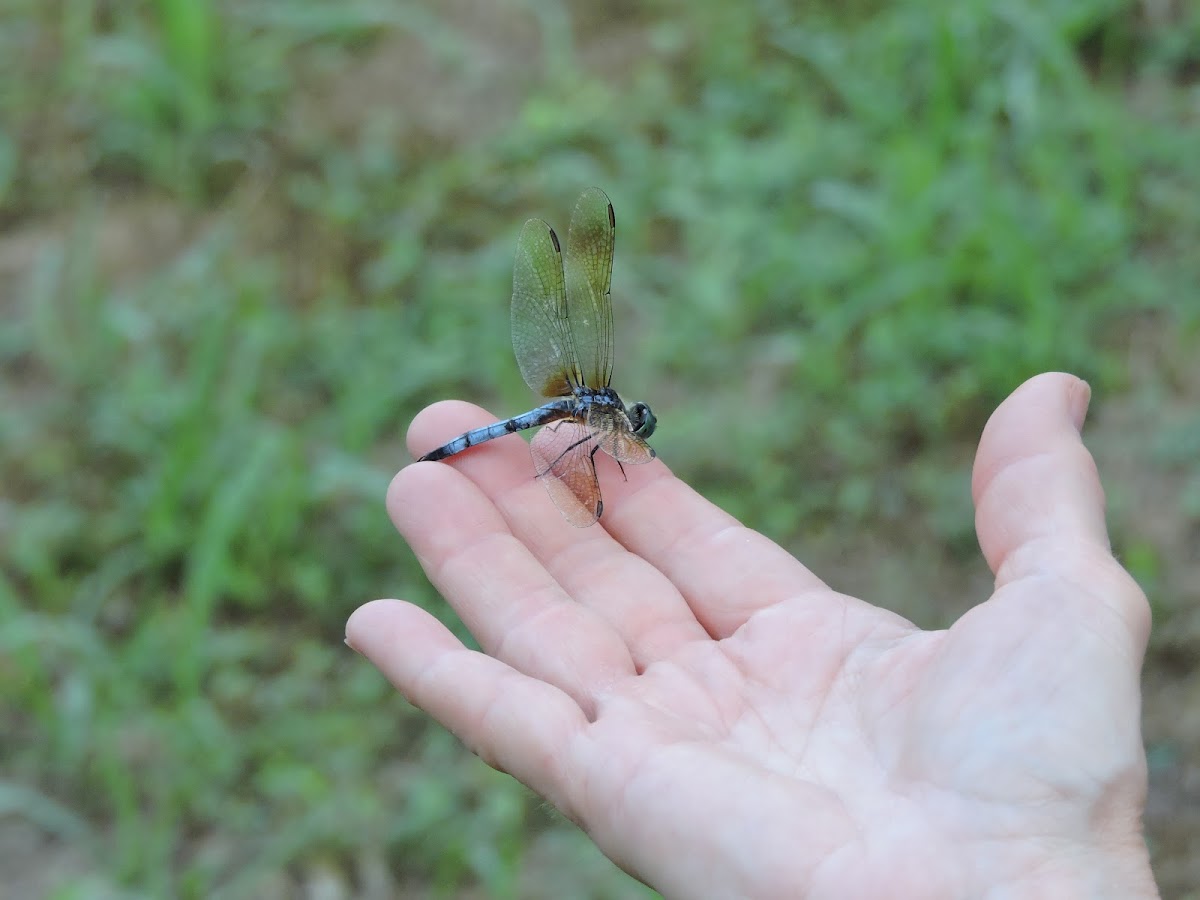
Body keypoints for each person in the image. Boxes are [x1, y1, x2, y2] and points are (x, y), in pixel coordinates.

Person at [346, 373, 1158, 898]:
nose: (636, 426)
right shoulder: (592, 425)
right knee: (517, 467)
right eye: (633, 424)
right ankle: (460, 457)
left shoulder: (601, 428)